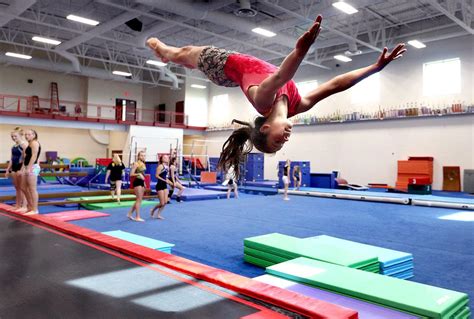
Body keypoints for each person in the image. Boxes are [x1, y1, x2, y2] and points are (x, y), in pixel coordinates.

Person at [146, 15, 406, 179]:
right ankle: (178, 58)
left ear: (267, 127)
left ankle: (163, 50)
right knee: (189, 55)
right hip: (231, 75)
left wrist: (300, 51)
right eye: (281, 145)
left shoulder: (262, 102)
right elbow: (335, 85)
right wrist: (375, 68)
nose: (285, 140)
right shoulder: (297, 105)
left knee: (183, 53)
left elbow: (280, 77)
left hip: (222, 65)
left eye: (277, 141)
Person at [5, 127, 28, 212]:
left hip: (21, 167)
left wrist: (22, 169)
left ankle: (25, 206)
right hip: (14, 168)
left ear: (20, 135)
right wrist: (8, 170)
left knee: (23, 188)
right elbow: (11, 159)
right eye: (12, 137)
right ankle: (18, 205)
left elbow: (26, 159)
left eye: (15, 136)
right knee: (17, 188)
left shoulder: (24, 145)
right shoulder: (13, 146)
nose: (13, 138)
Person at [21, 129, 41, 215]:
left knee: (32, 189)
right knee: (23, 187)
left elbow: (34, 156)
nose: (26, 136)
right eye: (25, 134)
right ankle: (30, 206)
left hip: (32, 167)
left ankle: (35, 209)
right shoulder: (30, 143)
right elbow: (27, 157)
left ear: (34, 135)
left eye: (29, 134)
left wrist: (28, 168)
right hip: (28, 167)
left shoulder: (34, 143)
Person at [150, 154, 173, 219]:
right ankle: (153, 210)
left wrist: (169, 182)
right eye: (164, 157)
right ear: (162, 159)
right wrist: (165, 180)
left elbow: (165, 177)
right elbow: (156, 176)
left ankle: (158, 214)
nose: (166, 158)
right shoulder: (160, 166)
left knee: (165, 202)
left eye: (167, 157)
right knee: (162, 203)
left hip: (164, 185)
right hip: (159, 185)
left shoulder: (167, 167)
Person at [127, 151, 146, 222]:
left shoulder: (143, 164)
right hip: (137, 182)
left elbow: (143, 173)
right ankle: (137, 217)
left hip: (141, 182)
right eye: (141, 155)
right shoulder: (136, 163)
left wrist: (144, 182)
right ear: (138, 156)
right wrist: (138, 174)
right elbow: (131, 174)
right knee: (139, 199)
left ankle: (129, 214)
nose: (143, 157)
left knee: (139, 199)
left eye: (144, 155)